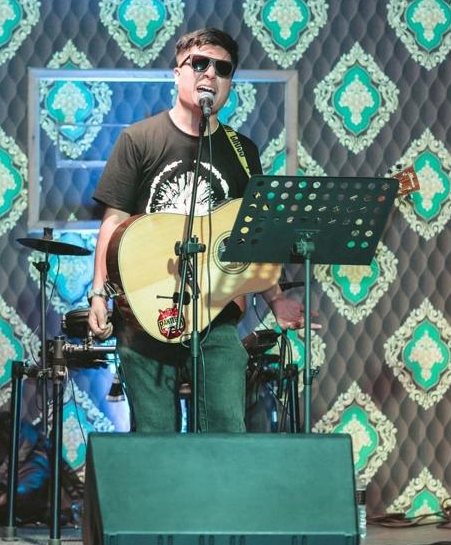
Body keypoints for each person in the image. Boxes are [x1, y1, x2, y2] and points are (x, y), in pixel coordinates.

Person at [87, 27, 306, 432]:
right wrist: (99, 293)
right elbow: (113, 222)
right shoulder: (139, 139)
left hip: (216, 314)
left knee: (225, 431)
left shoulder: (243, 152)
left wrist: (276, 299)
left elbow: (250, 237)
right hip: (144, 313)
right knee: (155, 438)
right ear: (177, 73)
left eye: (223, 69)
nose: (210, 74)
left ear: (230, 85)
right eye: (200, 63)